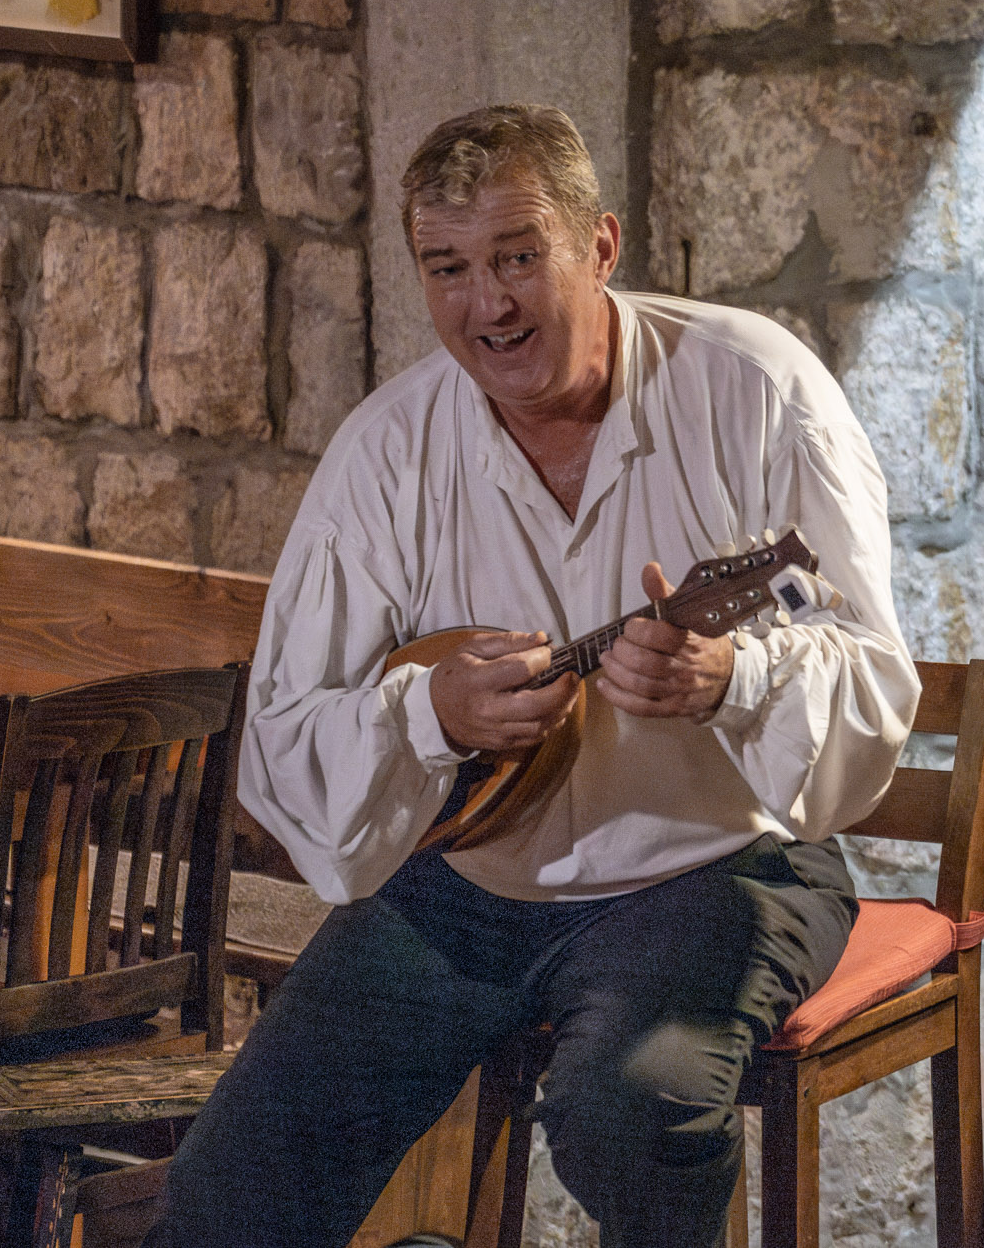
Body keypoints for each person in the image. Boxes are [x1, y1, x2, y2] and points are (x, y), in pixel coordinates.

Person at [146, 104, 919, 1248]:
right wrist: (429, 714)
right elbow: (284, 736)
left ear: (600, 246)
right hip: (466, 880)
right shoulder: (388, 451)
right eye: (448, 268)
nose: (487, 305)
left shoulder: (757, 390)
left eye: (516, 257)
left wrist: (734, 676)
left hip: (710, 870)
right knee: (233, 1185)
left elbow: (869, 670)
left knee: (631, 1111)